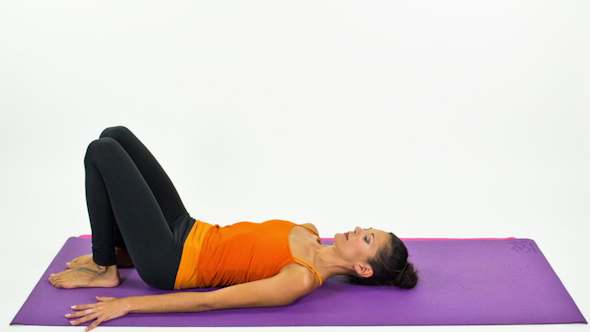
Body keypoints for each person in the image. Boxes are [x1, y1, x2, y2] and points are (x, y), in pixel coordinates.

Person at [48, 126, 418, 331]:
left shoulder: (300, 279)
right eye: (367, 227)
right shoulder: (310, 231)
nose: (358, 228)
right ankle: (119, 255)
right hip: (188, 229)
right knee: (117, 134)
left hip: (171, 262)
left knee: (103, 151)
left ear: (363, 268)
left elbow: (209, 301)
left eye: (367, 238)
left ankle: (103, 268)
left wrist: (128, 305)